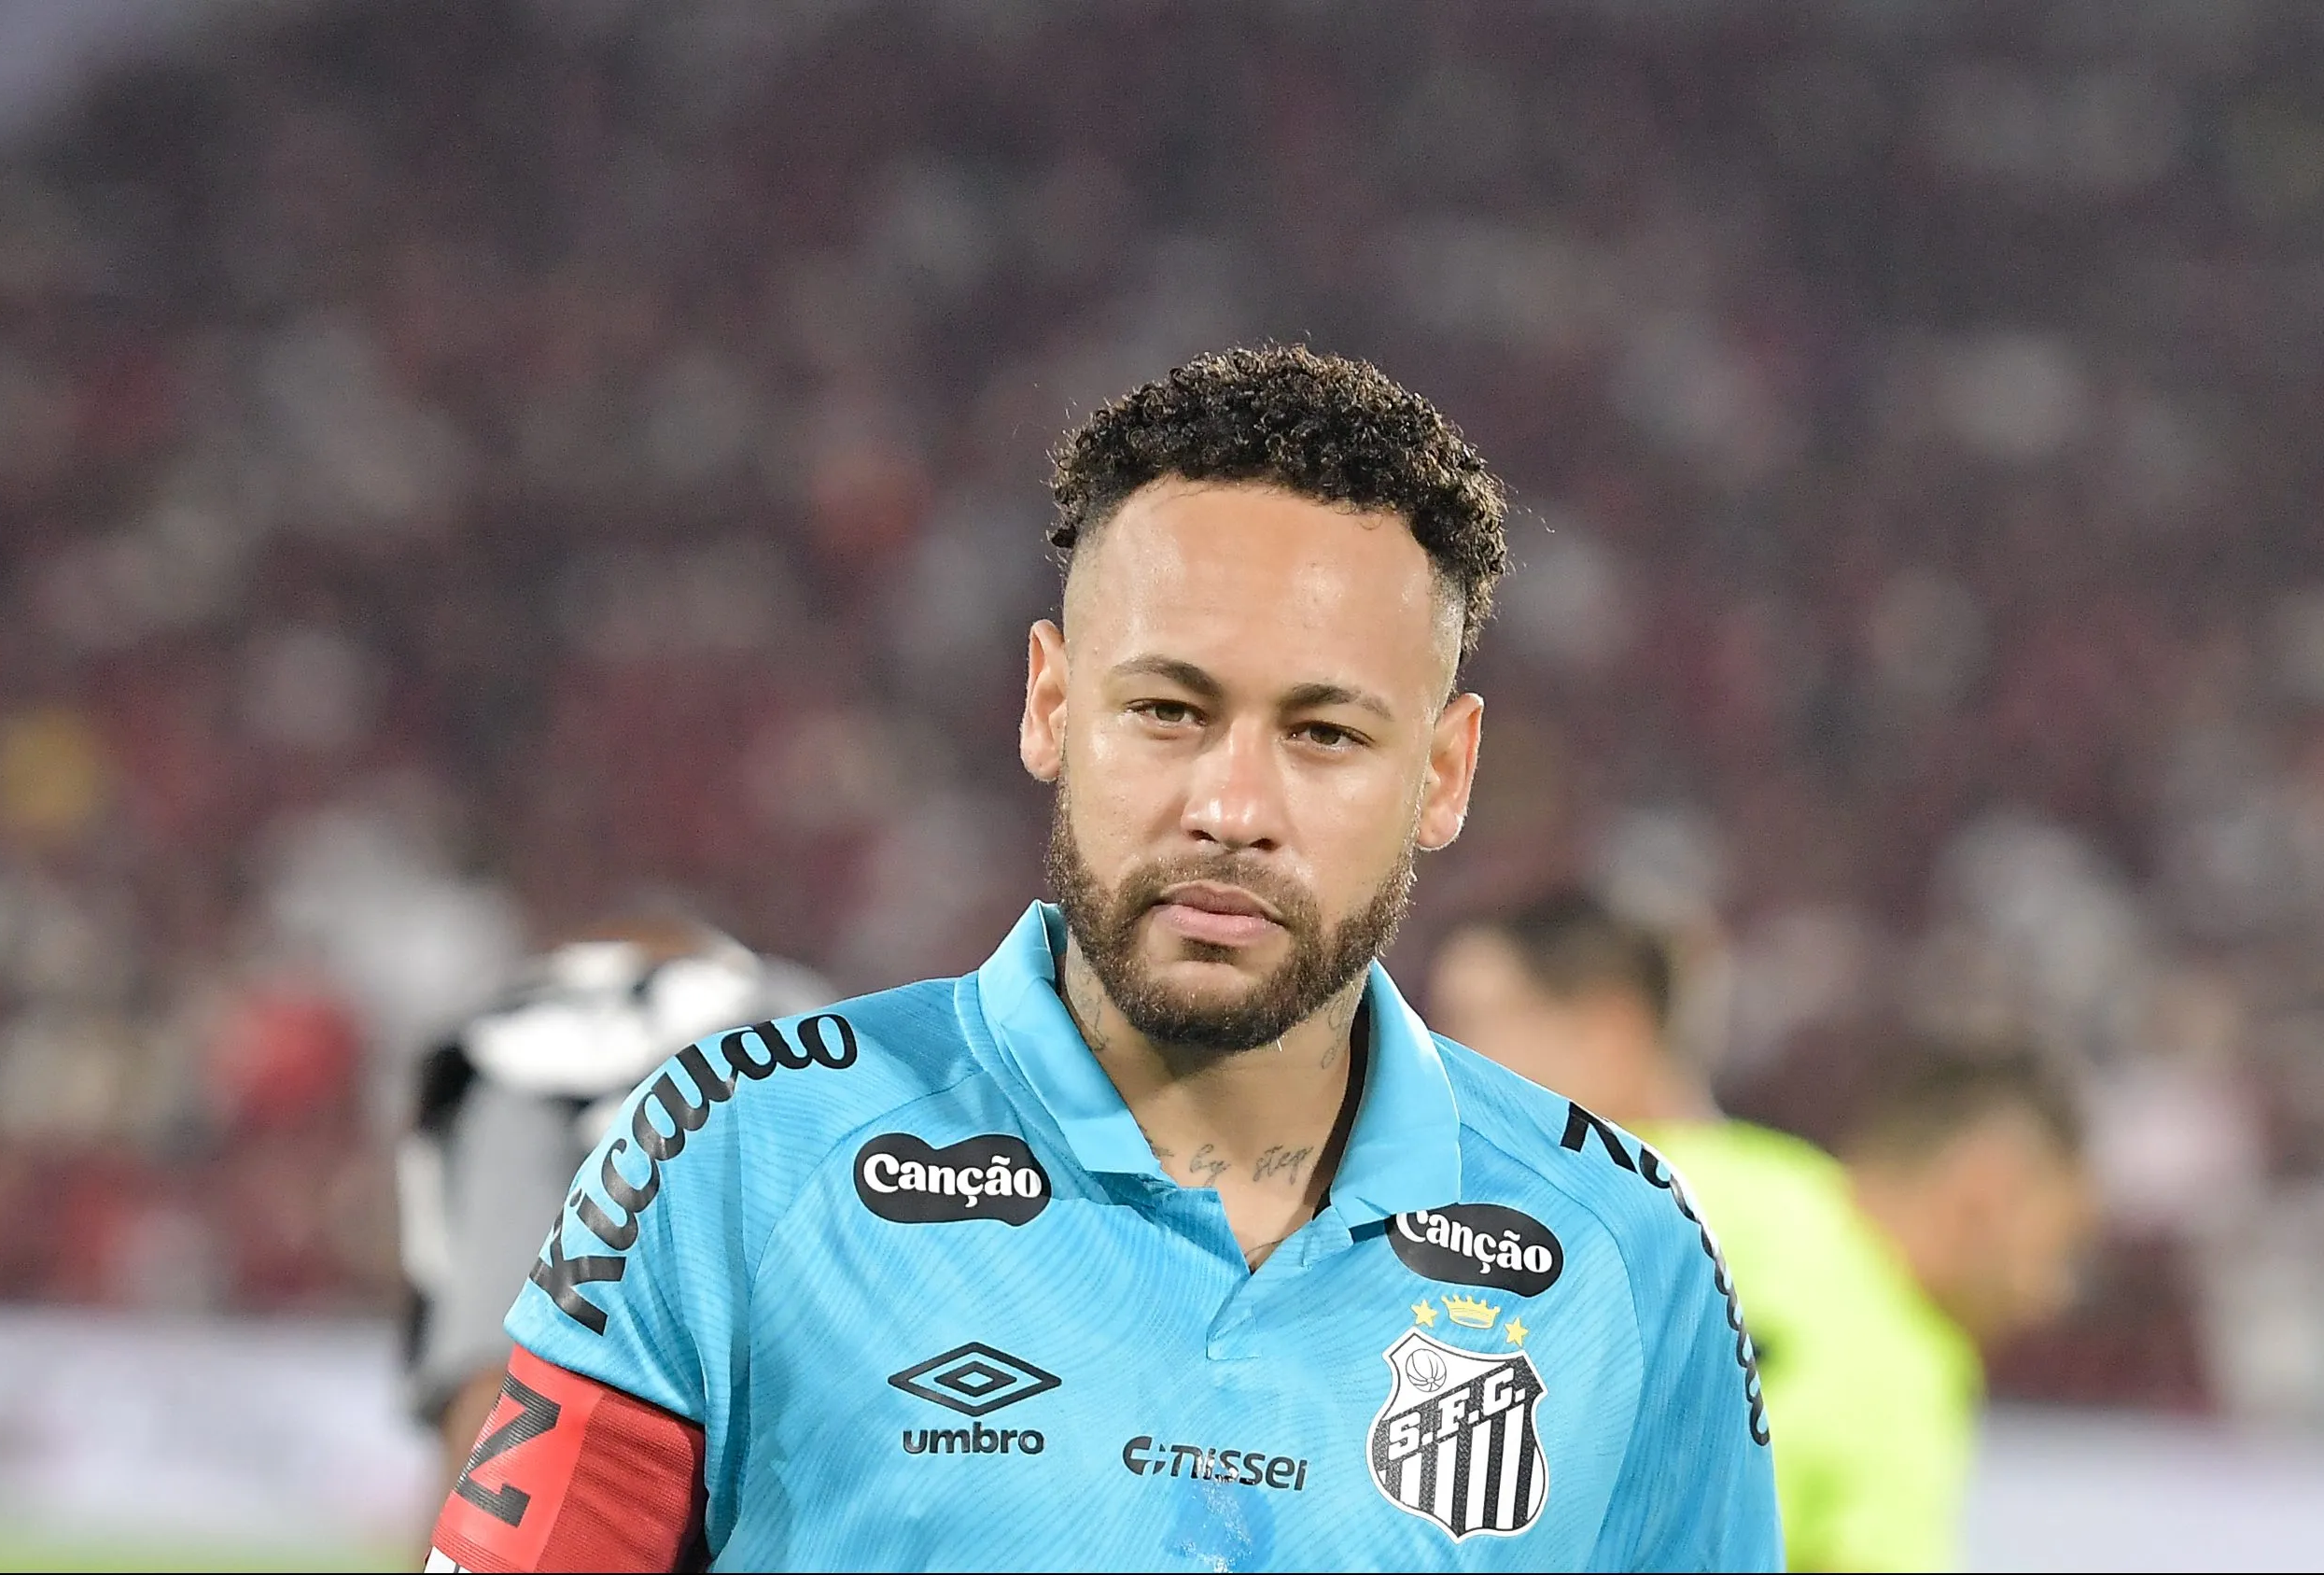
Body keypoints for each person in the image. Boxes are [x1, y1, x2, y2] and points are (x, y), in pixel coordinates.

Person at [424, 347, 1780, 1571]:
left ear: (1443, 770)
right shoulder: (738, 1156)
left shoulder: (1628, 1258)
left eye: (1324, 734)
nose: (1231, 805)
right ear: (1053, 703)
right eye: (1169, 709)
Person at [1428, 892, 2094, 1571]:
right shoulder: (1908, 1373)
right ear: (1987, 1190)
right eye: (2055, 1249)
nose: (2047, 1293)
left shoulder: (1705, 1176)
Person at [399, 912, 830, 1486]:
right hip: (748, 1074)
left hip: (526, 1085)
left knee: (498, 1382)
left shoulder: (518, 1013)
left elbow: (487, 1374)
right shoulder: (786, 995)